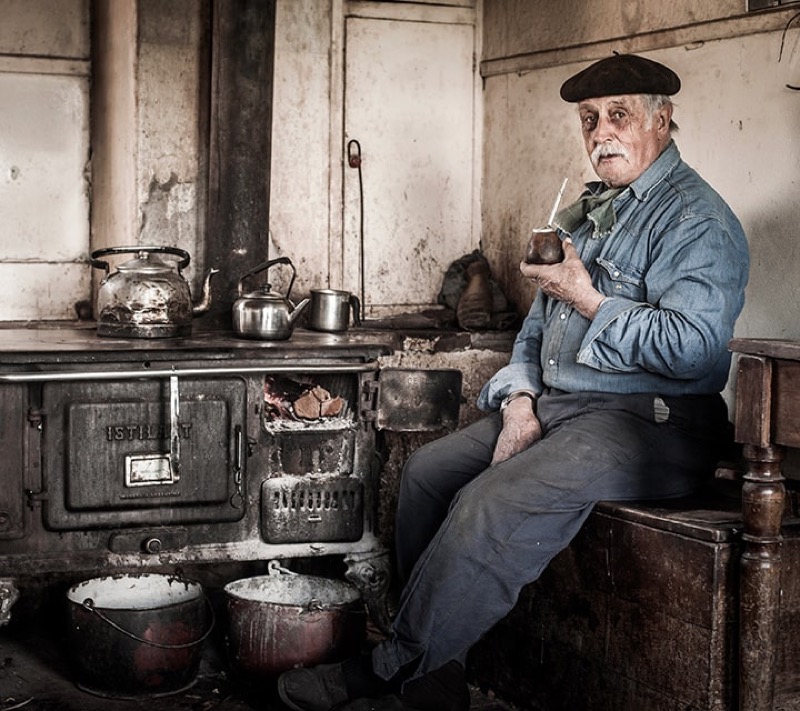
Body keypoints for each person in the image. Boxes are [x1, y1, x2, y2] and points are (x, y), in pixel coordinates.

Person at [277, 53, 750, 711]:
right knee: (427, 476)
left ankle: (389, 668)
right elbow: (536, 326)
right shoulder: (586, 212)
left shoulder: (697, 219)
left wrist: (589, 299)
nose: (599, 133)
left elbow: (695, 349)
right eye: (589, 119)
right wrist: (522, 397)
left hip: (654, 422)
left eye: (617, 115)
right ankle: (436, 682)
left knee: (488, 501)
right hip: (560, 406)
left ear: (662, 120)